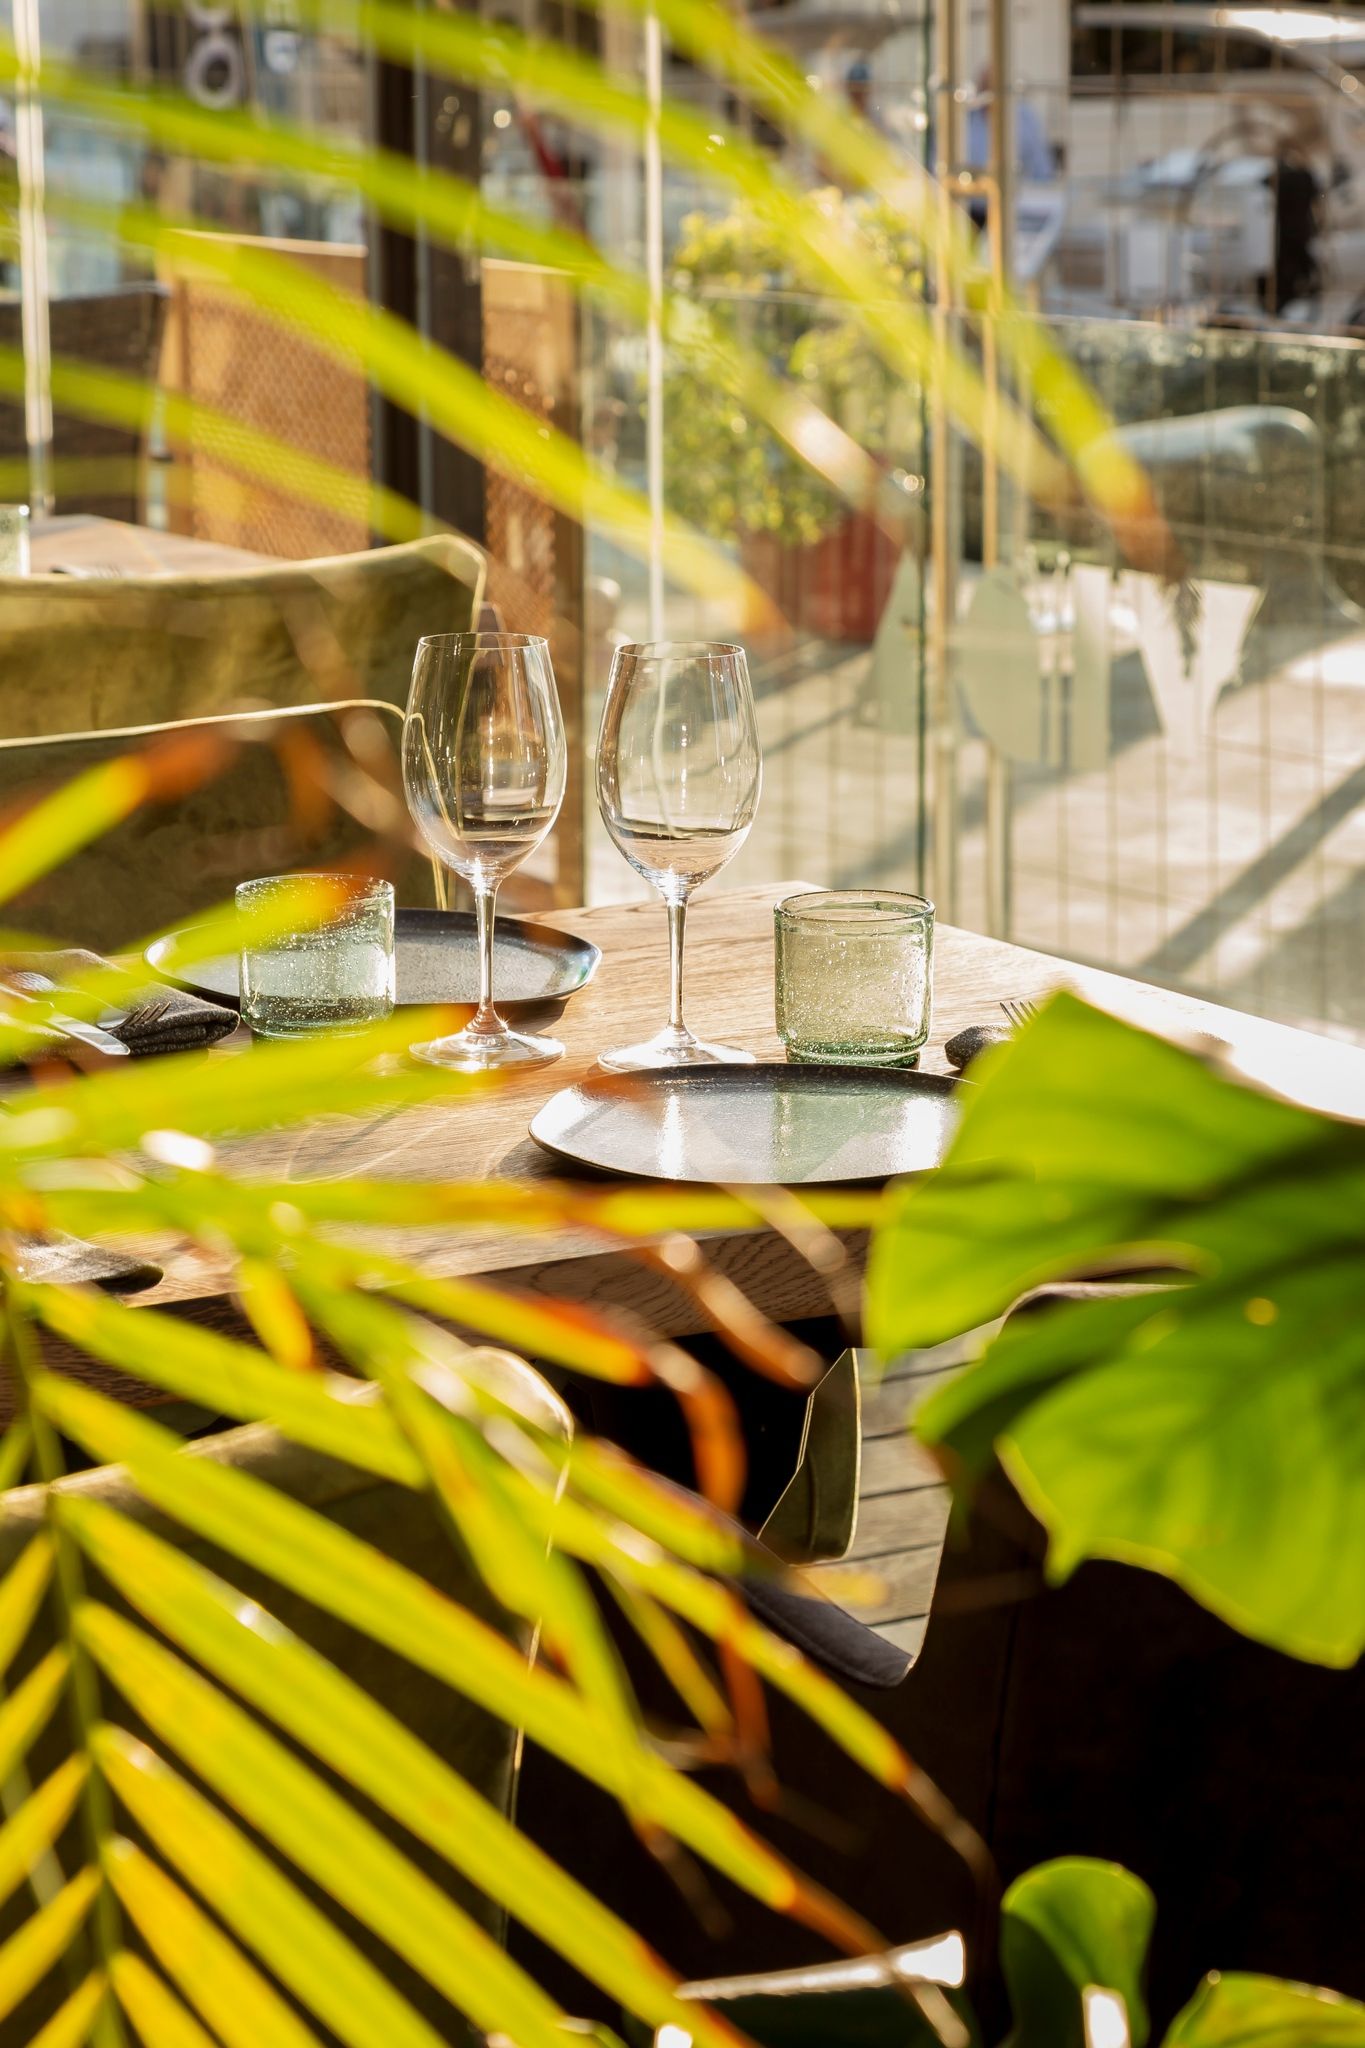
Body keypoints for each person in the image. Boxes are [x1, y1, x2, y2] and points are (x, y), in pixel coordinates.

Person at [965, 63, 1055, 184]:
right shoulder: (965, 121)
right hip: (973, 199)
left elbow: (1041, 167)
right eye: (986, 89)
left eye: (994, 88)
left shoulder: (1025, 118)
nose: (990, 96)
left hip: (1017, 198)